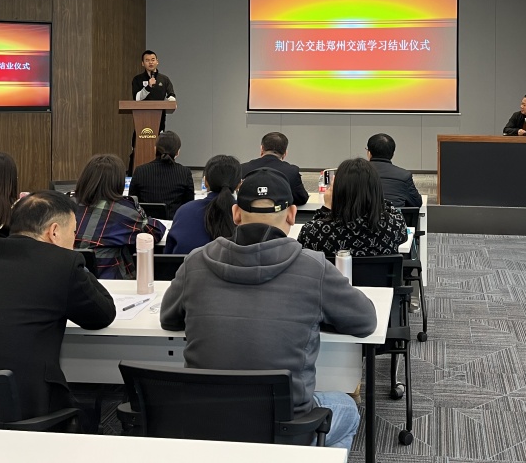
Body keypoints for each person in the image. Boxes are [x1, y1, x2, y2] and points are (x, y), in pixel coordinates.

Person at [160, 168, 377, 450]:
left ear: (236, 214)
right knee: (347, 408)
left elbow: (169, 319)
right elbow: (365, 321)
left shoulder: (195, 262)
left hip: (204, 424)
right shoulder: (314, 267)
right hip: (285, 429)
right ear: (292, 215)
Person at [0, 191, 115, 419]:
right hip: (18, 406)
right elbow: (102, 313)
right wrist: (75, 263)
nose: (74, 241)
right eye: (73, 232)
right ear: (54, 232)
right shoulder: (62, 263)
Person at [73, 153, 166, 279]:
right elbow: (155, 231)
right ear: (118, 182)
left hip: (68, 279)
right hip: (111, 281)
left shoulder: (65, 207)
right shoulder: (122, 211)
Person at [297, 157, 407, 258]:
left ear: (338, 191)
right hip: (379, 274)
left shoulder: (314, 231)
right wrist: (374, 197)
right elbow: (392, 212)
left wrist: (326, 207)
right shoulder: (394, 226)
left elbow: (306, 241)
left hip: (333, 275)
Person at [165, 154, 238, 255]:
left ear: (205, 182)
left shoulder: (185, 211)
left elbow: (168, 254)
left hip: (187, 265)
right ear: (239, 185)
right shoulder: (245, 213)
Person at [128, 49, 177, 172]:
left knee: (159, 147)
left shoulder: (164, 79)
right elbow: (136, 98)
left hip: (159, 120)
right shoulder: (137, 79)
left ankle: (160, 172)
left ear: (157, 62)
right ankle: (135, 173)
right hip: (141, 121)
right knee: (137, 146)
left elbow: (171, 95)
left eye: (153, 60)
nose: (150, 62)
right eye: (147, 60)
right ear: (142, 63)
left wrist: (172, 101)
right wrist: (148, 87)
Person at [129, 131, 194, 217]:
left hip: (146, 223)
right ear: (177, 152)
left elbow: (132, 203)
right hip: (174, 222)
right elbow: (189, 206)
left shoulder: (140, 171)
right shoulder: (185, 173)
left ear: (155, 149)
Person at [240, 131, 309, 206]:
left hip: (247, 212)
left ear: (262, 148)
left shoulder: (242, 169)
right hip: (279, 212)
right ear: (285, 153)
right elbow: (301, 199)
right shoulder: (291, 171)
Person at [366, 133, 422, 209]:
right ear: (392, 154)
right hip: (392, 216)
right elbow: (416, 203)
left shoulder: (355, 173)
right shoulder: (403, 175)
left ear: (369, 153)